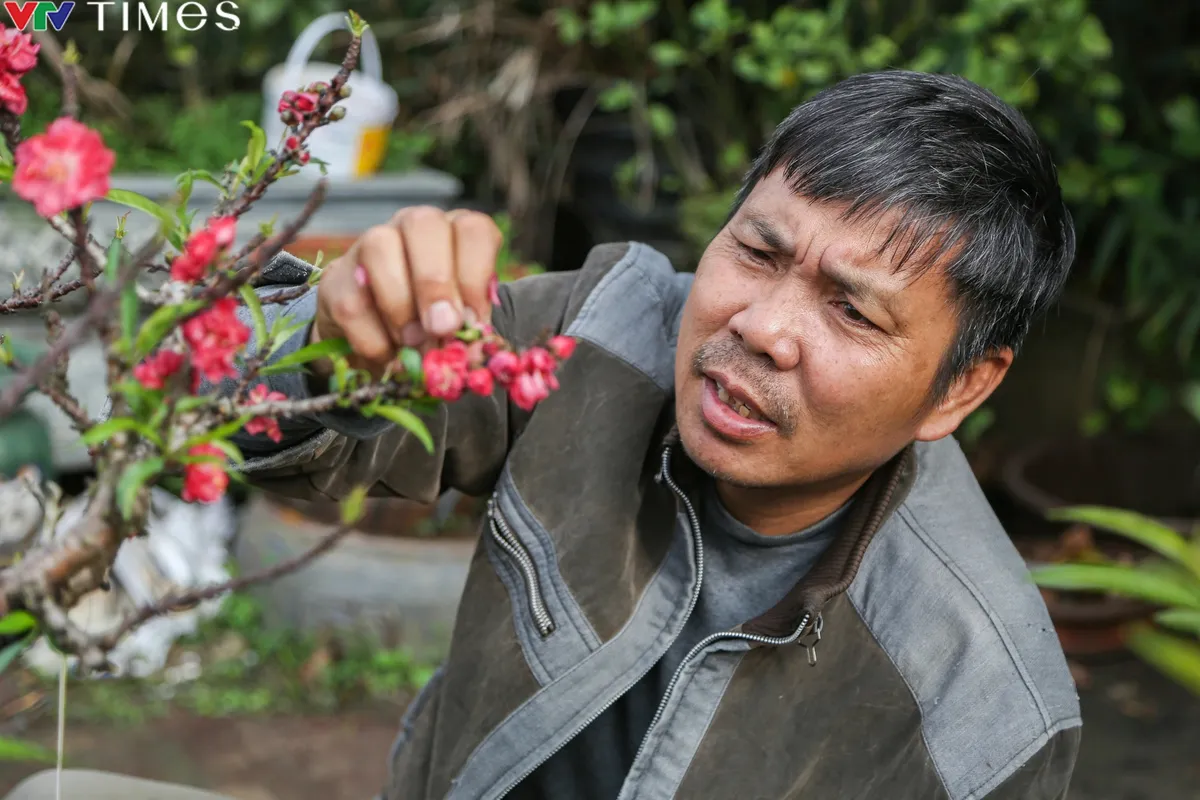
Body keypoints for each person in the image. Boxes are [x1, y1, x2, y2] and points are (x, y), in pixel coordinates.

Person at [10, 70, 1081, 800]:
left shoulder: (985, 696)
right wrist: (332, 330)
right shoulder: (608, 329)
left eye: (850, 310)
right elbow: (277, 421)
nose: (761, 327)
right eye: (757, 250)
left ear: (961, 386)